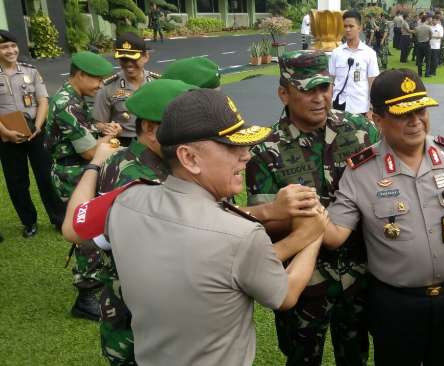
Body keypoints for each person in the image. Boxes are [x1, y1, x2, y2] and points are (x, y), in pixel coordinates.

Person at [72, 88, 328, 366]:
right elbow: (286, 293)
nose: (246, 156)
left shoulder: (125, 200)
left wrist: (95, 165)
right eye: (233, 147)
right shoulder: (240, 235)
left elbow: (73, 226)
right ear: (189, 158)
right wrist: (311, 234)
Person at [322, 68, 444, 366]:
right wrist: (305, 209)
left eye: (421, 109)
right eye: (403, 113)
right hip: (395, 303)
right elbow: (334, 235)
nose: (416, 121)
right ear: (377, 119)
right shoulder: (360, 171)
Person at [246, 49, 378, 366]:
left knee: (356, 356)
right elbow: (264, 226)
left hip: (358, 274)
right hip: (304, 282)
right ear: (284, 93)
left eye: (324, 87)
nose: (319, 98)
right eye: (307, 90)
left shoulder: (359, 130)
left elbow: (394, 167)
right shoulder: (266, 150)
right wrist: (293, 215)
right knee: (302, 357)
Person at [61, 79, 196, 365]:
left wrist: (96, 164)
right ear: (149, 128)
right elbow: (75, 228)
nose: (191, 134)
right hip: (142, 319)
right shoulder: (139, 179)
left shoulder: (123, 157)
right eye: (180, 127)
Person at [45, 51, 121, 321]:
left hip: (78, 169)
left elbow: (84, 129)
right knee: (85, 230)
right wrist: (110, 142)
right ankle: (86, 294)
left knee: (91, 226)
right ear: (80, 75)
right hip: (73, 173)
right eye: (97, 80)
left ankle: (94, 283)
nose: (100, 86)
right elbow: (90, 152)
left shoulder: (75, 98)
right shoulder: (66, 103)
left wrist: (102, 128)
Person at [0, 29, 64, 238]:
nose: (10, 50)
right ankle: (29, 222)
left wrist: (38, 126)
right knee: (17, 181)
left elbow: (43, 100)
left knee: (46, 176)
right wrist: (6, 133)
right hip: (6, 136)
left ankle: (58, 218)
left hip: (36, 132)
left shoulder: (31, 71)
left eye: (12, 46)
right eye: (4, 47)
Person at [93, 32, 159, 147]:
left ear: (146, 57)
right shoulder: (108, 87)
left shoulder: (158, 83)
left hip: (154, 142)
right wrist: (107, 128)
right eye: (123, 59)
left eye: (133, 59)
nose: (129, 64)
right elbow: (98, 123)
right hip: (123, 144)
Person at [329, 10, 380, 117]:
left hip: (360, 107)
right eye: (345, 26)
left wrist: (371, 108)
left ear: (360, 28)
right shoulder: (336, 53)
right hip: (339, 106)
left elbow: (373, 83)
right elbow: (330, 81)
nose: (347, 29)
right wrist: (329, 103)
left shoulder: (369, 53)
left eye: (351, 26)